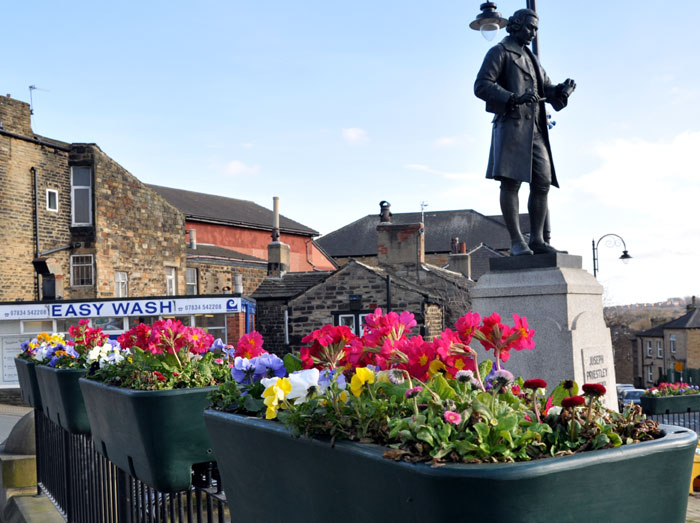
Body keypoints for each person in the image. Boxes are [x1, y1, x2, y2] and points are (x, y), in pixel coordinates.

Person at [474, 8, 575, 256]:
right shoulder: (500, 52)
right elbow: (482, 85)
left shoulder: (531, 57)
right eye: (530, 27)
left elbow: (546, 88)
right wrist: (513, 98)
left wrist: (560, 91)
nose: (533, 32)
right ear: (516, 25)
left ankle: (538, 239)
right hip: (511, 126)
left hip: (536, 129)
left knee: (542, 183)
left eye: (536, 29)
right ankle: (517, 241)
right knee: (511, 183)